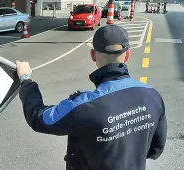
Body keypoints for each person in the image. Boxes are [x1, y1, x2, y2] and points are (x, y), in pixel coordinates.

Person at [16, 24, 167, 170]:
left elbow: (39, 117)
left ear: (93, 55)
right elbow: (156, 149)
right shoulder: (152, 96)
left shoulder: (82, 106)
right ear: (127, 55)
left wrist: (25, 79)